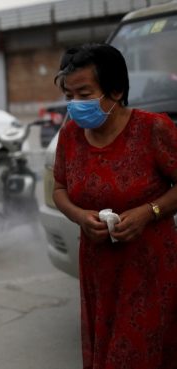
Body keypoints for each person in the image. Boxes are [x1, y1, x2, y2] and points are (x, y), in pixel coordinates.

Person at [53, 43, 177, 368]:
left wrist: (149, 212)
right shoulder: (70, 136)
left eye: (84, 94)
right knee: (105, 350)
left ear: (117, 89)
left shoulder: (153, 129)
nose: (76, 105)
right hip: (98, 269)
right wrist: (80, 217)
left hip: (149, 268)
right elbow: (60, 189)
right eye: (70, 96)